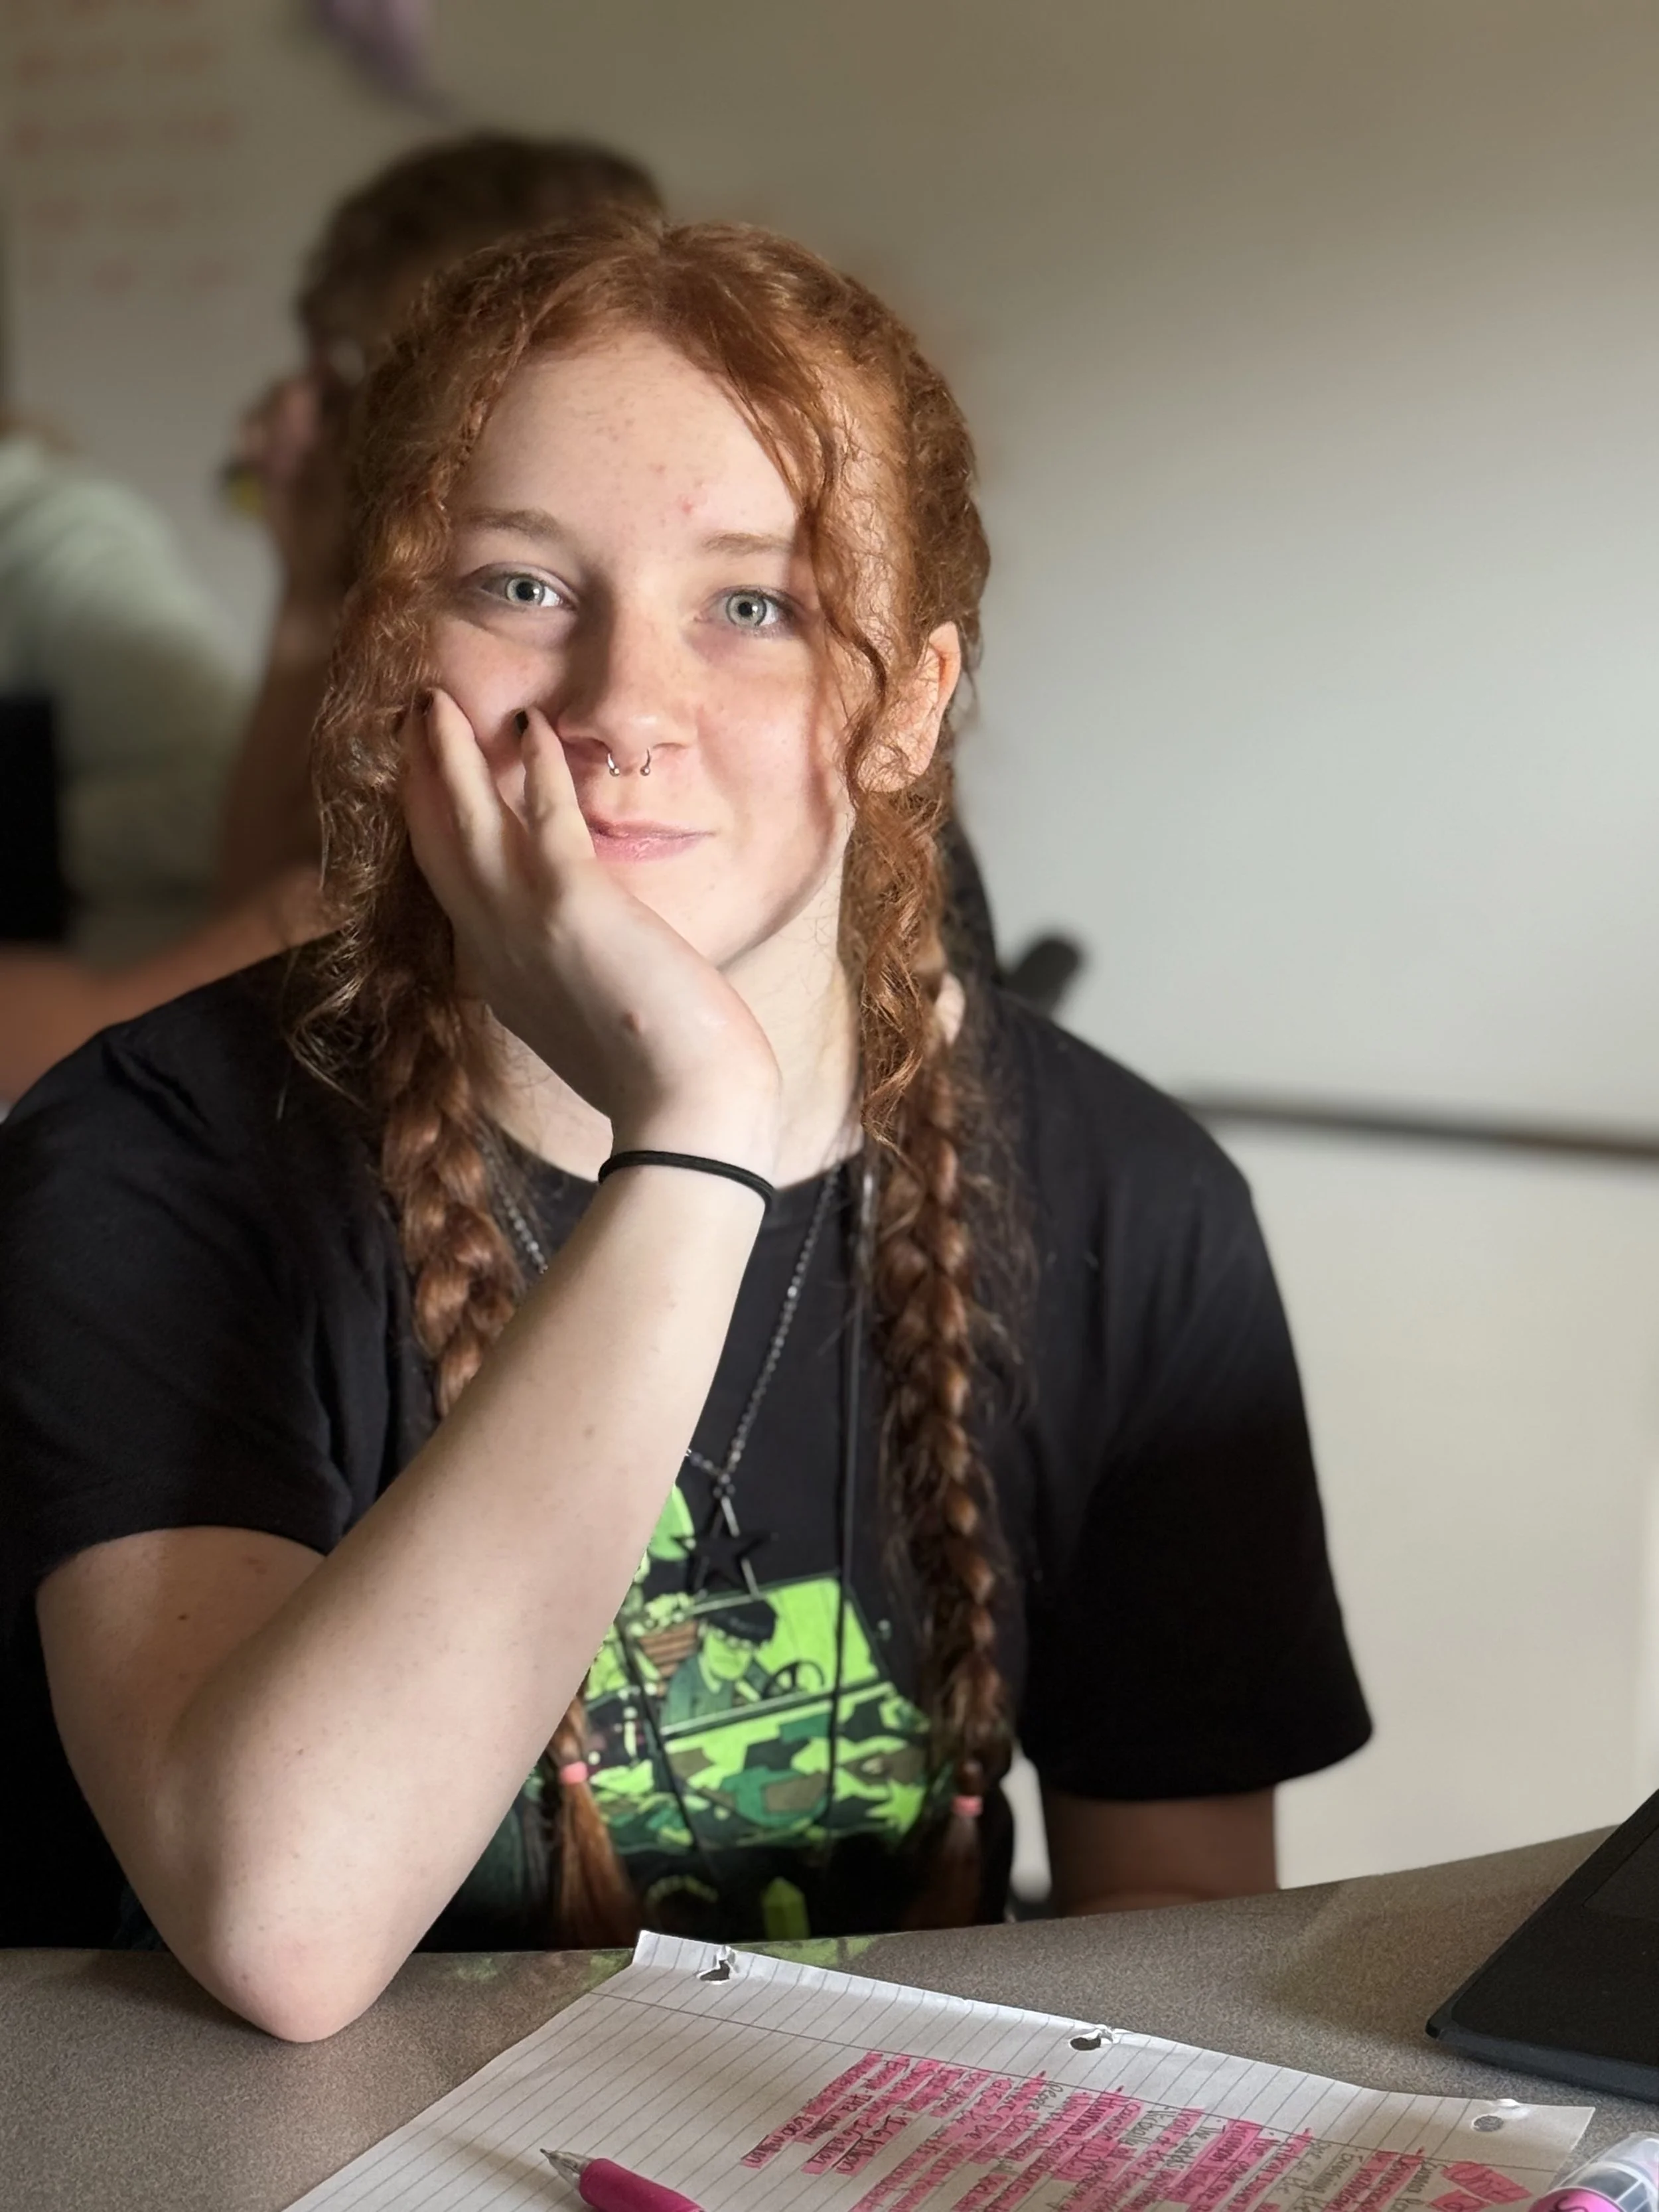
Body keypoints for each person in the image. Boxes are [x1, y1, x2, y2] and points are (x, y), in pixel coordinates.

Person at [0, 214, 1370, 2036]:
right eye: (519, 586)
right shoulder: (144, 1155)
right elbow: (282, 1924)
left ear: (906, 707)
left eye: (752, 606)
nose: (621, 708)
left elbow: (1175, 1919)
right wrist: (698, 1127)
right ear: (394, 650)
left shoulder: (1136, 1200)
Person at [0, 137, 664, 1106]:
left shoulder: (498, 704)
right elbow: (250, 895)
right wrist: (309, 589)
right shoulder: (391, 627)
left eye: (374, 372)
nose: (315, 417)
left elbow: (120, 1023)